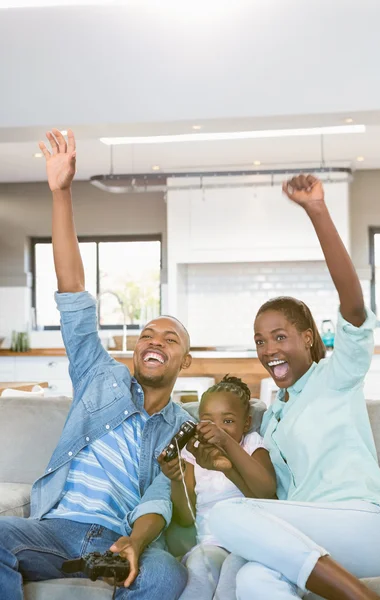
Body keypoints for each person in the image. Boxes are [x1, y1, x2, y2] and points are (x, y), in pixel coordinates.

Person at [0, 129, 192, 600]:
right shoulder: (98, 376)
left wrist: (135, 542)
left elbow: (165, 500)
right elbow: (73, 295)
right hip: (56, 530)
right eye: (147, 333)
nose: (154, 340)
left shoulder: (185, 426)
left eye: (170, 339)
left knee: (166, 576)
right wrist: (61, 192)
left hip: (123, 539)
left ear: (184, 361)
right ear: (134, 349)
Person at [208, 175, 380, 600]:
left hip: (364, 526)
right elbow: (267, 496)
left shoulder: (336, 377)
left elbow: (353, 306)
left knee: (227, 517)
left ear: (308, 338)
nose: (269, 349)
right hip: (308, 535)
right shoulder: (273, 417)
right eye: (260, 340)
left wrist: (317, 211)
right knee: (249, 574)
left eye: (280, 336)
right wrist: (225, 455)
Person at [159, 375, 276, 600]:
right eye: (208, 421)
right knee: (200, 576)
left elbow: (266, 492)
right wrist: (176, 478)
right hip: (212, 543)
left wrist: (226, 442)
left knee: (232, 581)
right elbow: (185, 518)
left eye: (228, 421)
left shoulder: (252, 444)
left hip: (250, 544)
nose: (217, 429)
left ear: (247, 423)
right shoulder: (193, 454)